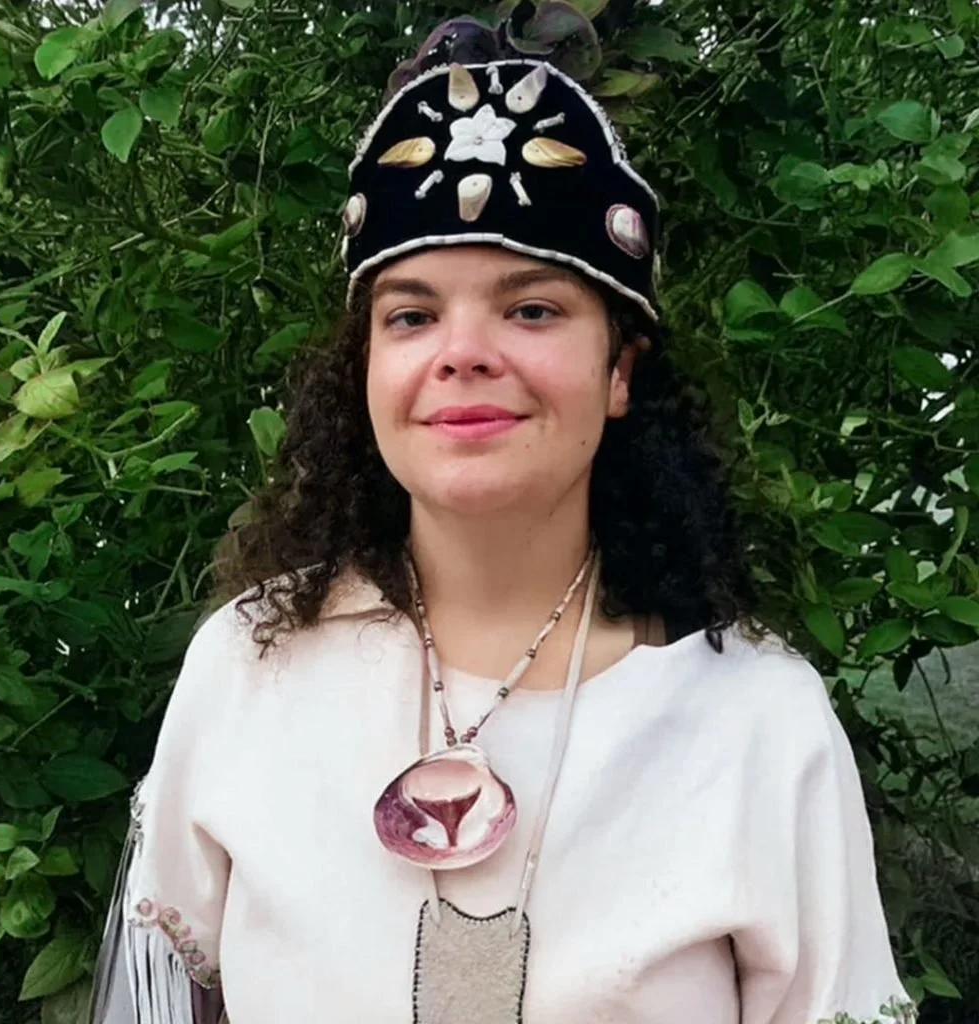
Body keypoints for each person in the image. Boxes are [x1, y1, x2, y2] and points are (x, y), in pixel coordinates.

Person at [89, 13, 917, 1024]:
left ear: (619, 369)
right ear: (365, 368)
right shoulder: (246, 668)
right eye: (411, 314)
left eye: (531, 309)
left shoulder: (759, 725)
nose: (462, 352)